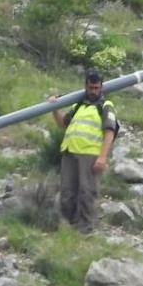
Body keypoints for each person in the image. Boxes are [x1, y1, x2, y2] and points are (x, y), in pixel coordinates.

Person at [50, 70, 117, 233]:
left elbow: (110, 131)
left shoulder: (106, 106)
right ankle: (67, 226)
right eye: (91, 87)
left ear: (101, 88)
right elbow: (63, 124)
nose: (93, 91)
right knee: (67, 191)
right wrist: (54, 108)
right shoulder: (78, 105)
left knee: (86, 192)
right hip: (69, 153)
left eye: (96, 88)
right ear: (85, 87)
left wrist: (102, 158)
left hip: (90, 155)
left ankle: (86, 229)